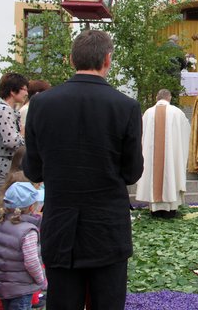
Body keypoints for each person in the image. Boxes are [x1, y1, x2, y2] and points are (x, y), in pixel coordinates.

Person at [23, 29, 144, 310]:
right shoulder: (125, 106)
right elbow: (132, 172)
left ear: (70, 60)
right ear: (107, 59)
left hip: (60, 225)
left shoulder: (41, 104)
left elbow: (34, 170)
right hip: (107, 229)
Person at [135, 89, 190, 218]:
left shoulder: (148, 113)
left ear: (156, 98)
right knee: (171, 170)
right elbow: (186, 131)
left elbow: (140, 134)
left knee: (153, 172)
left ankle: (155, 209)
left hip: (152, 157)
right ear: (169, 98)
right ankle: (170, 209)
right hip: (171, 157)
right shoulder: (177, 112)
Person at [0, 182, 47, 309]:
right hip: (21, 289)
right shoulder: (28, 231)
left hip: (3, 286)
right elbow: (31, 262)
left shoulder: (1, 223)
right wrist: (41, 280)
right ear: (31, 207)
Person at [0, 73, 28, 194]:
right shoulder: (4, 110)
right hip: (1, 167)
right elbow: (11, 141)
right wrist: (23, 135)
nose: (26, 93)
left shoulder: (7, 110)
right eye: (24, 89)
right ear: (12, 91)